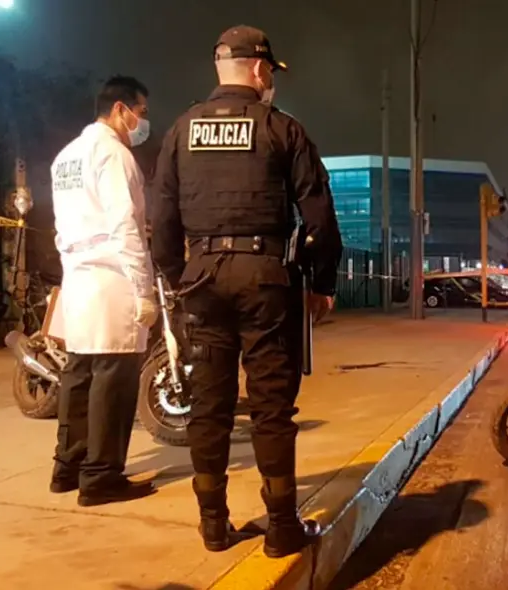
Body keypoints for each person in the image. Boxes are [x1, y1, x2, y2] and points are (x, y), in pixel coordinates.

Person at [150, 25, 343, 557]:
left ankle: (213, 524)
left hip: (203, 278)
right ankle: (281, 528)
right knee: (271, 407)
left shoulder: (180, 129)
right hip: (265, 279)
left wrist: (176, 276)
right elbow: (319, 217)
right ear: (260, 70)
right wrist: (321, 283)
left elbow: (161, 216)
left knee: (209, 406)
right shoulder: (283, 129)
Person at [49, 75, 158, 506]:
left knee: (79, 374)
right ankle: (101, 477)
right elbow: (125, 224)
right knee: (114, 379)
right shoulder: (114, 154)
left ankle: (68, 467)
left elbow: (62, 225)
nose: (142, 122)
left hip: (77, 275)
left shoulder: (65, 157)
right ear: (119, 109)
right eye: (141, 112)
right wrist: (143, 287)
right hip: (112, 276)